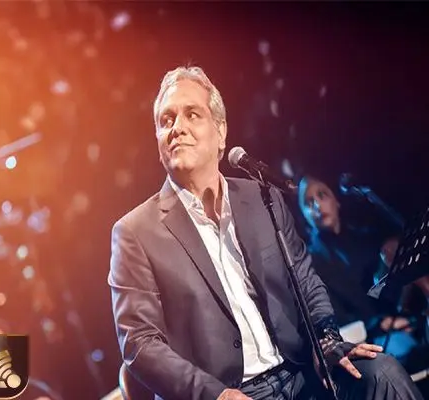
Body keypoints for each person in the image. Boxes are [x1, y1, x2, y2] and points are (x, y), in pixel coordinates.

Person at [108, 65, 422, 400]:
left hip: (301, 373)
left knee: (383, 374)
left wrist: (327, 341)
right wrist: (216, 395)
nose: (177, 128)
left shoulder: (262, 197)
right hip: (226, 392)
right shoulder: (135, 232)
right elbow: (139, 343)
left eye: (192, 115)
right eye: (166, 120)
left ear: (221, 132)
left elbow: (306, 281)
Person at [297, 176, 412, 339]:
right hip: (365, 338)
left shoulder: (366, 238)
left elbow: (381, 290)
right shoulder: (310, 262)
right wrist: (379, 324)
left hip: (399, 322)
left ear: (336, 201)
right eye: (309, 203)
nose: (317, 205)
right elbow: (334, 319)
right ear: (304, 215)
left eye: (322, 195)